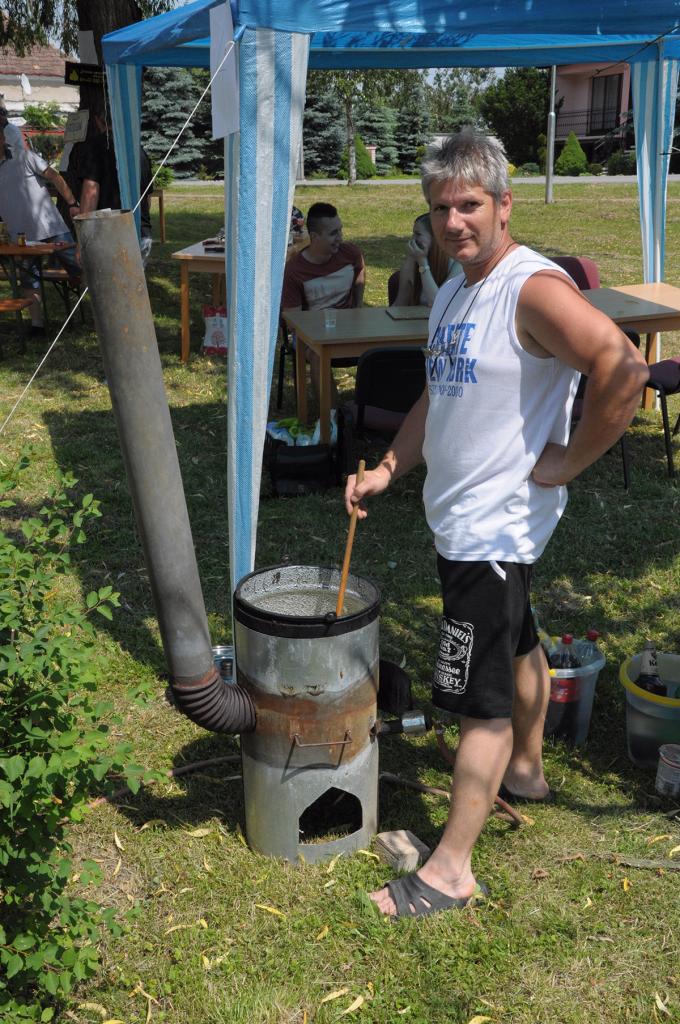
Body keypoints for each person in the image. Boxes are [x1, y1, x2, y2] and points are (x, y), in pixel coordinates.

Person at [344, 129, 648, 919]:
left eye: (470, 205)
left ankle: (451, 871)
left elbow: (624, 366)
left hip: (493, 527)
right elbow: (435, 394)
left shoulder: (530, 289)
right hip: (466, 521)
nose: (453, 222)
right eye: (440, 207)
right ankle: (527, 771)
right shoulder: (455, 287)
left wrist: (569, 461)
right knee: (517, 640)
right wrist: (388, 468)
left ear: (504, 204)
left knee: (477, 701)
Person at [281, 201, 365, 406]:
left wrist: (358, 306)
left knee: (384, 347)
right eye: (333, 233)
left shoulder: (350, 254)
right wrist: (320, 334)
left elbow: (360, 269)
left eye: (340, 230)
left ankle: (372, 410)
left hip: (348, 328)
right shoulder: (294, 271)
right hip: (312, 334)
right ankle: (333, 417)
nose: (340, 238)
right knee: (317, 354)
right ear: (314, 236)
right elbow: (293, 321)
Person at [0, 125, 81, 332]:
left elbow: (55, 176)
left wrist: (72, 203)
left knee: (80, 268)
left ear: (2, 139)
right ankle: (37, 325)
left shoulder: (25, 157)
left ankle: (105, 309)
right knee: (29, 279)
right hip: (21, 236)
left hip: (51, 227)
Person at [78, 113, 153, 267]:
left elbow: (90, 193)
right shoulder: (138, 149)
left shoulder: (98, 147)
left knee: (107, 282)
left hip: (110, 233)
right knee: (133, 282)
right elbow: (147, 198)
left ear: (98, 121)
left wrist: (82, 239)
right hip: (141, 232)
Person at [390, 212, 462, 307]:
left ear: (435, 237)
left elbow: (436, 303)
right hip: (416, 316)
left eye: (418, 234)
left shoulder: (458, 264)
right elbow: (400, 303)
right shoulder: (413, 259)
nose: (413, 239)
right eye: (413, 234)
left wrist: (423, 263)